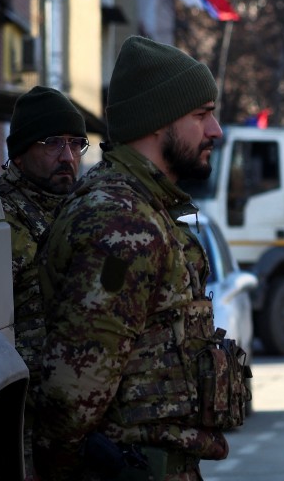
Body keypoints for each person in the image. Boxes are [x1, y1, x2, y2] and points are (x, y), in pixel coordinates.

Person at [35, 36, 250, 481]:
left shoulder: (146, 211)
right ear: (157, 122)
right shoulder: (122, 224)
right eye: (201, 115)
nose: (216, 130)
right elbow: (72, 394)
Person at [0, 85, 88, 479]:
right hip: (21, 434)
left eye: (75, 144)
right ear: (19, 153)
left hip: (75, 426)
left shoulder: (81, 212)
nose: (67, 157)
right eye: (52, 143)